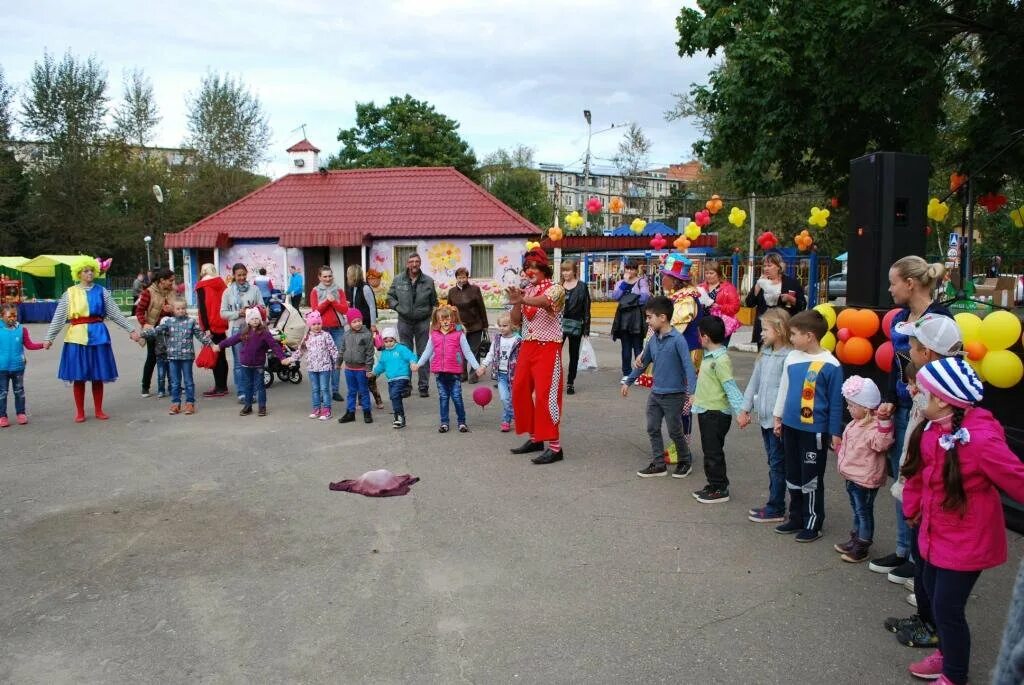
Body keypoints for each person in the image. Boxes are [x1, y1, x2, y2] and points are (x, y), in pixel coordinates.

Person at [899, 357, 1024, 684]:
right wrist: (911, 510)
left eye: (921, 389)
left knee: (947, 608)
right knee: (929, 590)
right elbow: (916, 475)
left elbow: (1017, 479)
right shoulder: (930, 428)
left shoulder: (981, 440)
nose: (912, 391)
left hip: (967, 543)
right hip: (931, 533)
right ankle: (948, 653)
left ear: (942, 399)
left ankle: (954, 674)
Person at [883, 313, 964, 648]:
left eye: (913, 345)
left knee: (929, 561)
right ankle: (925, 618)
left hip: (932, 492)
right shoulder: (927, 383)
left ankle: (932, 625)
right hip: (919, 487)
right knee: (921, 557)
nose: (908, 350)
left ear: (927, 352)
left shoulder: (945, 394)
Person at [871, 256, 952, 585]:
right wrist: (890, 398)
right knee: (903, 480)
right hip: (903, 407)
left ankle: (923, 558)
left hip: (930, 411)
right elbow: (895, 364)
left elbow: (946, 368)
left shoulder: (942, 319)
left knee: (923, 482)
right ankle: (904, 550)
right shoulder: (901, 318)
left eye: (893, 282)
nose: (889, 289)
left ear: (910, 283)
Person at [771, 309, 844, 541]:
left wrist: (835, 432)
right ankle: (796, 517)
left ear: (810, 336)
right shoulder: (792, 358)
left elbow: (835, 402)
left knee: (811, 476)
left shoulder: (830, 364)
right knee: (792, 472)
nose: (790, 339)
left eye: (793, 334)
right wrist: (778, 416)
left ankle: (813, 520)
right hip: (790, 427)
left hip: (814, 432)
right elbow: (784, 388)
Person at [43, 256, 141, 422]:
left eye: (91, 270)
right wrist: (49, 337)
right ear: (78, 273)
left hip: (98, 336)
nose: (89, 273)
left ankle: (98, 410)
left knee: (98, 375)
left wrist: (131, 330)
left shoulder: (102, 291)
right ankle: (80, 412)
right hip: (76, 337)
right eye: (85, 271)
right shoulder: (70, 293)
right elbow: (59, 317)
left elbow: (115, 313)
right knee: (79, 376)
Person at [621, 295, 698, 479]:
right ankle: (658, 464)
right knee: (652, 428)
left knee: (674, 430)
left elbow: (688, 366)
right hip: (656, 394)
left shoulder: (678, 340)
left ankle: (685, 460)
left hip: (674, 395)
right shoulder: (653, 340)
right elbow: (643, 362)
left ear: (662, 317)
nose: (647, 321)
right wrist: (628, 381)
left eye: (649, 317)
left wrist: (693, 392)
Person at [507, 248, 566, 464]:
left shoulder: (556, 288)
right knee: (520, 389)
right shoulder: (527, 291)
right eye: (527, 267)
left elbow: (544, 302)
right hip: (528, 346)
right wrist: (516, 302)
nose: (530, 271)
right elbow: (515, 321)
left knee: (546, 396)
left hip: (548, 347)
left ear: (543, 268)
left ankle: (555, 446)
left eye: (534, 267)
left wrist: (522, 299)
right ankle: (535, 437)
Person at [738, 309, 792, 523]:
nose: (761, 333)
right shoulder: (765, 353)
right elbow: (754, 382)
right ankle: (776, 503)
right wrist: (745, 408)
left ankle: (776, 506)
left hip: (779, 421)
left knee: (778, 464)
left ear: (779, 329)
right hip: (765, 419)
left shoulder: (789, 356)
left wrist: (780, 417)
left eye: (765, 329)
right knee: (774, 462)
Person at [834, 376, 894, 562]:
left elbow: (881, 444)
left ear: (866, 408)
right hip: (853, 476)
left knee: (863, 511)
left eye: (852, 405)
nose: (848, 408)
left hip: (865, 479)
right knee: (857, 509)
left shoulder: (874, 427)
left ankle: (862, 544)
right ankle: (856, 538)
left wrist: (884, 423)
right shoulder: (855, 423)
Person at [690, 315, 745, 503]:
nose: (698, 338)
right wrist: (695, 397)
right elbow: (708, 383)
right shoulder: (709, 357)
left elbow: (730, 386)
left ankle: (720, 488)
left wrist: (741, 412)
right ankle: (713, 484)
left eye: (699, 335)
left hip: (716, 414)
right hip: (706, 410)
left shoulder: (720, 360)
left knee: (713, 452)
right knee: (709, 449)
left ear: (705, 337)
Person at [411, 304, 481, 433]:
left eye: (448, 318)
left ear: (453, 319)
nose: (445, 322)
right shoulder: (434, 334)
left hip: (454, 372)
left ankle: (462, 422)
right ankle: (444, 423)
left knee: (457, 397)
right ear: (437, 320)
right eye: (442, 319)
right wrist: (418, 364)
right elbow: (427, 351)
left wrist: (477, 367)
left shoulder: (459, 334)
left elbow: (468, 352)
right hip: (439, 372)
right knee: (443, 398)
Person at [139, 298, 211, 415]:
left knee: (188, 381)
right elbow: (156, 330)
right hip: (172, 357)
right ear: (173, 310)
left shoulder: (191, 322)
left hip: (187, 357)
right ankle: (175, 403)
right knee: (175, 382)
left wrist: (211, 344)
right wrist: (143, 334)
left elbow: (200, 335)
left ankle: (189, 403)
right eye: (178, 309)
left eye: (183, 308)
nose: (181, 311)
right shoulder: (168, 322)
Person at [214, 307, 286, 417]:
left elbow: (274, 345)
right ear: (248, 320)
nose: (255, 321)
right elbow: (231, 340)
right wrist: (220, 345)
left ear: (260, 320)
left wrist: (282, 358)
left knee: (260, 386)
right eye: (252, 319)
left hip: (259, 365)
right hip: (245, 365)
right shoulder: (244, 332)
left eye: (257, 318)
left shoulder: (265, 333)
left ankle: (262, 407)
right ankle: (248, 406)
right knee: (247, 386)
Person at [387, 253, 438, 398]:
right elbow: (390, 297)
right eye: (411, 261)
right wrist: (398, 307)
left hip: (422, 322)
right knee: (405, 354)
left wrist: (432, 318)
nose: (414, 264)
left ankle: (423, 386)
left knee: (424, 353)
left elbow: (434, 302)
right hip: (404, 321)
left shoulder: (428, 281)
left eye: (417, 261)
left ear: (420, 263)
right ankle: (406, 386)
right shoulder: (398, 279)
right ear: (407, 264)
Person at [220, 263, 264, 404]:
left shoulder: (255, 289)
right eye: (239, 275)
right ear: (234, 275)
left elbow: (263, 307)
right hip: (236, 329)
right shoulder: (228, 292)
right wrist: (238, 312)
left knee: (254, 361)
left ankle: (255, 392)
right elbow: (223, 313)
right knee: (239, 364)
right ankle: (242, 393)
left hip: (254, 330)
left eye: (244, 274)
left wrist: (253, 310)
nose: (242, 278)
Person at [284, 310, 338, 420]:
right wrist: (291, 359)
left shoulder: (326, 335)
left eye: (319, 323)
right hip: (312, 368)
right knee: (315, 389)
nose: (317, 326)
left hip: (324, 367)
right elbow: (300, 351)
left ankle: (327, 410)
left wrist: (338, 361)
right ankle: (316, 409)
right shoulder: (307, 337)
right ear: (309, 325)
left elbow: (333, 349)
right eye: (314, 324)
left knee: (324, 389)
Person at [744, 253, 806, 349]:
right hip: (764, 330)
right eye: (764, 266)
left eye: (769, 265)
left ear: (778, 267)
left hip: (784, 328)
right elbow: (749, 303)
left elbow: (802, 306)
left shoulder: (791, 283)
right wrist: (757, 287)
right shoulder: (762, 282)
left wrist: (791, 299)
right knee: (764, 359)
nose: (766, 269)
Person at [308, 266, 349, 402]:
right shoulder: (315, 291)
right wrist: (327, 301)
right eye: (324, 276)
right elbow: (315, 312)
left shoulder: (339, 290)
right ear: (319, 277)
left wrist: (334, 302)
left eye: (330, 276)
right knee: (321, 361)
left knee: (336, 360)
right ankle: (321, 392)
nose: (327, 279)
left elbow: (344, 309)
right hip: (321, 330)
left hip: (338, 329)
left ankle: (335, 390)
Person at [0, 303, 44, 427]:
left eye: (15, 316)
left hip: (18, 367)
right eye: (9, 316)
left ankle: (21, 413)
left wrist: (43, 345)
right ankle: (2, 416)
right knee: (2, 393)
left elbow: (29, 345)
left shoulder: (21, 329)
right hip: (1, 368)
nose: (13, 318)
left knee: (19, 391)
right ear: (2, 316)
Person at [134, 267, 176, 397]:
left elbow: (180, 307)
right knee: (152, 357)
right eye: (170, 280)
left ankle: (174, 386)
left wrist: (172, 309)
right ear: (162, 280)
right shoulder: (148, 292)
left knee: (172, 358)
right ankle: (145, 387)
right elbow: (139, 311)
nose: (172, 283)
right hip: (153, 329)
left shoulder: (172, 292)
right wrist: (144, 324)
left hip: (170, 330)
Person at [477, 312, 521, 432]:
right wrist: (483, 366)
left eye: (505, 326)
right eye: (500, 325)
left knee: (512, 399)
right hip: (501, 375)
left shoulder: (518, 340)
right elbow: (491, 354)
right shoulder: (497, 339)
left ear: (512, 326)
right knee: (504, 399)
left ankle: (506, 421)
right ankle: (516, 417)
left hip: (514, 375)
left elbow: (523, 357)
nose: (502, 328)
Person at [369, 327, 418, 429]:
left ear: (395, 340)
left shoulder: (401, 348)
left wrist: (413, 363)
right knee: (394, 397)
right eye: (386, 341)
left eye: (391, 341)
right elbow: (381, 365)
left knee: (394, 396)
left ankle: (399, 418)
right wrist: (374, 372)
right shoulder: (385, 353)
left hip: (402, 377)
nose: (389, 343)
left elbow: (411, 356)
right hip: (391, 380)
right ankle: (399, 416)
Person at [610, 259, 650, 381]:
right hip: (623, 318)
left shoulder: (641, 282)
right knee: (626, 346)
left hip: (636, 317)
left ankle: (638, 373)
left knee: (638, 346)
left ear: (636, 270)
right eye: (627, 268)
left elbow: (644, 298)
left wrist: (628, 300)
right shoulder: (620, 283)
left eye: (632, 268)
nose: (629, 271)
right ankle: (626, 373)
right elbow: (615, 296)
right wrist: (626, 283)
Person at [447, 267, 488, 383]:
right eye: (459, 277)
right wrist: (449, 325)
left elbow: (481, 307)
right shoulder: (451, 292)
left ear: (467, 277)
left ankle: (474, 373)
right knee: (460, 350)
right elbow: (449, 310)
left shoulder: (475, 289)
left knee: (474, 349)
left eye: (464, 277)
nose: (461, 280)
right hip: (459, 326)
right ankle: (462, 372)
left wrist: (485, 324)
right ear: (456, 278)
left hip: (475, 325)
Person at [194, 263, 230, 397]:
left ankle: (219, 387)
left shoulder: (202, 285)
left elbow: (203, 308)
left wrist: (206, 327)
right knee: (222, 356)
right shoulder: (220, 283)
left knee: (215, 356)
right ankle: (223, 385)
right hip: (221, 322)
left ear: (203, 271)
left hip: (211, 324)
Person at [336, 310, 376, 425]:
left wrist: (368, 369)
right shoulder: (346, 334)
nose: (357, 323)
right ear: (349, 323)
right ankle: (350, 413)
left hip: (361, 369)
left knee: (363, 391)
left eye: (359, 321)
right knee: (351, 391)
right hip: (349, 369)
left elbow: (370, 353)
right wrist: (338, 363)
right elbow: (342, 350)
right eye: (354, 322)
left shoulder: (367, 334)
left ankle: (367, 412)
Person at [560, 259, 590, 395]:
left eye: (568, 270)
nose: (565, 273)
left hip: (576, 324)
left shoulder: (582, 286)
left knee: (574, 356)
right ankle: (554, 380)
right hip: (559, 325)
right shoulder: (559, 286)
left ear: (574, 271)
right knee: (554, 354)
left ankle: (570, 382)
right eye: (564, 270)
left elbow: (586, 308)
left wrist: (587, 328)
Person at [697, 261, 741, 345]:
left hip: (720, 325)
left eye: (711, 273)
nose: (708, 275)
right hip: (703, 325)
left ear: (718, 273)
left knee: (719, 351)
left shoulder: (728, 288)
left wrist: (720, 307)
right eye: (706, 273)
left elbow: (735, 307)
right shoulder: (700, 287)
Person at [345, 264, 378, 332]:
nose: (347, 275)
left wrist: (373, 325)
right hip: (355, 322)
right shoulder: (352, 287)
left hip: (365, 322)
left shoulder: (365, 288)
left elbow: (372, 307)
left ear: (353, 275)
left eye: (348, 273)